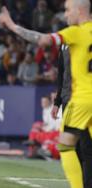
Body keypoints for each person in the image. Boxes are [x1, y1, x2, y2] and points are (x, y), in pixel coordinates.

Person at [0, 0, 92, 187]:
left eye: (67, 10)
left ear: (80, 11)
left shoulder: (76, 32)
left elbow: (43, 40)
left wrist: (13, 26)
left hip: (83, 100)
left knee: (65, 145)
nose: (65, 15)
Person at [51, 44, 92, 188]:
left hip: (85, 100)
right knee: (75, 147)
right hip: (68, 102)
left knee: (86, 146)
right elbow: (62, 75)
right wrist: (57, 102)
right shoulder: (64, 44)